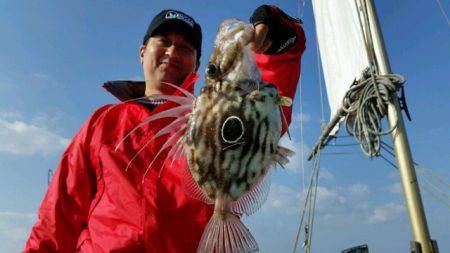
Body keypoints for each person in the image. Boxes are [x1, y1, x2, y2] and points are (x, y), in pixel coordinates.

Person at [24, 5, 306, 253]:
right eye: (164, 42)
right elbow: (58, 214)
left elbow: (265, 114)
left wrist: (280, 44)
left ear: (197, 63)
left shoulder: (210, 115)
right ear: (143, 52)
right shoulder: (104, 122)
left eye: (185, 47)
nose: (173, 51)